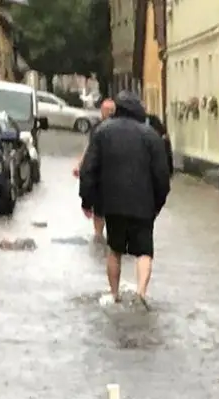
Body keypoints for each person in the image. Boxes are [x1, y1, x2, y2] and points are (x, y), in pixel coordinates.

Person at [78, 92, 171, 305]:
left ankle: (114, 294)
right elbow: (162, 176)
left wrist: (87, 200)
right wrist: (157, 204)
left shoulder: (102, 132)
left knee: (115, 249)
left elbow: (88, 169)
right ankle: (141, 294)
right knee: (145, 251)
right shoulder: (151, 136)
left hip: (113, 204)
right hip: (144, 204)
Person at [75, 98, 115, 242]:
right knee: (99, 210)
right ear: (101, 111)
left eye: (111, 110)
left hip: (113, 176)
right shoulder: (97, 128)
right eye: (106, 110)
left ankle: (104, 242)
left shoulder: (118, 129)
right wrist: (80, 164)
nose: (109, 113)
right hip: (100, 176)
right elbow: (90, 148)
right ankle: (99, 239)